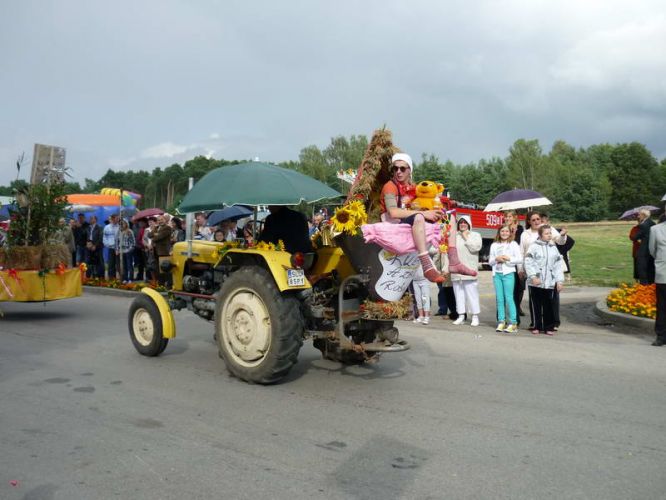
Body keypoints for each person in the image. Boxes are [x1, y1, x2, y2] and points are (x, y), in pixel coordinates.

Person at [380, 153, 475, 284]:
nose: (398, 172)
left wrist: (434, 210)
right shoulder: (390, 186)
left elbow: (422, 203)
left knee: (449, 217)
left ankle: (453, 260)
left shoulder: (413, 188)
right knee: (418, 217)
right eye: (395, 168)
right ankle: (426, 265)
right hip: (394, 225)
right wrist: (424, 214)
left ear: (410, 170)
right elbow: (393, 212)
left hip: (410, 222)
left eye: (402, 168)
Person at [519, 211, 567, 329]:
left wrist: (562, 235)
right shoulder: (525, 234)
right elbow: (522, 252)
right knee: (534, 299)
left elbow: (560, 241)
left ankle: (553, 323)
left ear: (541, 220)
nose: (536, 221)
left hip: (550, 270)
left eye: (538, 219)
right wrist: (520, 268)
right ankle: (536, 323)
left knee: (552, 299)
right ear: (529, 222)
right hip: (533, 271)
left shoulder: (547, 229)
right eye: (533, 220)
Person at [489, 225, 522, 333]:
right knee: (499, 299)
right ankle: (501, 321)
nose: (504, 233)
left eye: (506, 231)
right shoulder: (494, 245)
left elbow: (519, 259)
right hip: (497, 274)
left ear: (510, 233)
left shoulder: (513, 244)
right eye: (502, 231)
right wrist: (496, 259)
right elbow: (490, 261)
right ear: (499, 232)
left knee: (509, 298)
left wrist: (509, 259)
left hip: (508, 274)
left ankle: (513, 323)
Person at [450, 216, 482, 326]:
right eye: (460, 222)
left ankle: (475, 316)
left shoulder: (475, 235)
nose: (462, 224)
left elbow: (475, 248)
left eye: (465, 222)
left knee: (472, 294)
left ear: (469, 224)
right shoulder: (454, 236)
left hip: (469, 270)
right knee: (458, 294)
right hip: (456, 271)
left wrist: (465, 237)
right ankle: (461, 315)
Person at [505, 210, 525, 320]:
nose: (507, 218)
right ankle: (512, 308)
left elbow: (518, 243)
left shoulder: (520, 229)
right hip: (507, 261)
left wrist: (514, 233)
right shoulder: (503, 229)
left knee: (520, 286)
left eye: (509, 216)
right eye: (506, 217)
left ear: (514, 217)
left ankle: (518, 306)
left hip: (517, 260)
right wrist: (509, 232)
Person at [649, 219, 666, 346]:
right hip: (663, 272)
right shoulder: (655, 229)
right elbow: (652, 250)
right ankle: (661, 335)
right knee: (662, 305)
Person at [630, 208, 655, 285]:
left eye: (639, 214)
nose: (638, 216)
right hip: (652, 250)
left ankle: (644, 290)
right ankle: (651, 287)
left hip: (643, 251)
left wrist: (635, 229)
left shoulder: (643, 225)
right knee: (650, 270)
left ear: (643, 215)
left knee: (642, 271)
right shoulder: (653, 223)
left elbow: (634, 237)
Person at [412, 252, 434, 325]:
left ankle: (427, 316)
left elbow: (432, 265)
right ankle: (421, 316)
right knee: (418, 299)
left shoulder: (424, 255)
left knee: (425, 298)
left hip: (424, 280)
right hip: (415, 281)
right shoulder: (411, 257)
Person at [150, 215, 173, 286]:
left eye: (161, 219)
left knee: (165, 268)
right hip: (156, 251)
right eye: (159, 220)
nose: (160, 221)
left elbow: (159, 237)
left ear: (165, 220)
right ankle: (161, 283)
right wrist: (155, 233)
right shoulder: (156, 228)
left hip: (164, 251)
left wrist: (155, 236)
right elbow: (149, 235)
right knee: (158, 268)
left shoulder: (168, 228)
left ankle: (168, 284)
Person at [116, 219, 135, 283]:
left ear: (126, 224)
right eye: (120, 224)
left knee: (129, 265)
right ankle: (125, 278)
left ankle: (130, 279)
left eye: (123, 223)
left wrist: (130, 250)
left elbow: (133, 243)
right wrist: (117, 249)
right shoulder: (119, 232)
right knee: (123, 266)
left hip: (128, 250)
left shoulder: (130, 231)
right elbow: (116, 241)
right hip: (121, 251)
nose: (121, 225)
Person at [103, 214, 120, 279]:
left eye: (118, 218)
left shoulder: (120, 227)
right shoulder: (107, 227)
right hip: (111, 248)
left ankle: (121, 278)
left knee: (119, 264)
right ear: (112, 219)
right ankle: (111, 278)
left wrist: (118, 247)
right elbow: (104, 238)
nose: (118, 220)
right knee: (111, 264)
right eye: (116, 218)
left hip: (118, 248)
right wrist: (108, 245)